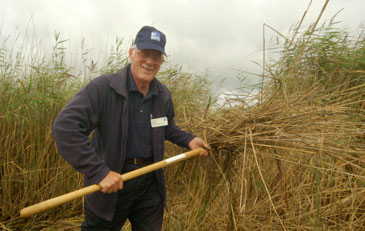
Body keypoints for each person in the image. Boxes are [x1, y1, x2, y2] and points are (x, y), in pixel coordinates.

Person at [52, 25, 210, 231]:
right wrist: (99, 172)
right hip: (111, 182)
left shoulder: (163, 95)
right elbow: (65, 127)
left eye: (156, 57)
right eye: (144, 54)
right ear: (131, 53)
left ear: (162, 61)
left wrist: (188, 139)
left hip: (149, 182)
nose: (150, 62)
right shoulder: (103, 88)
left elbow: (166, 127)